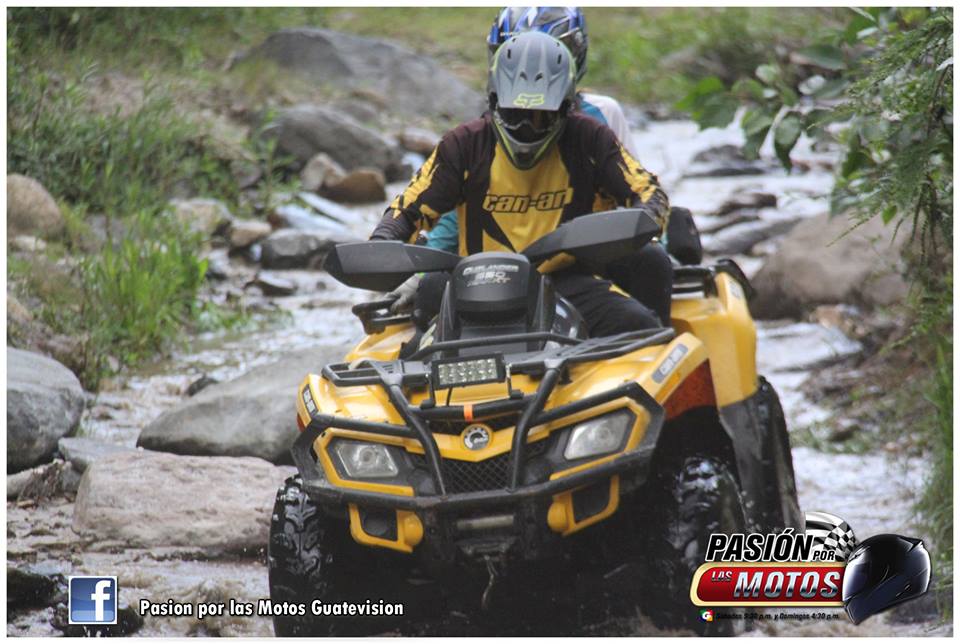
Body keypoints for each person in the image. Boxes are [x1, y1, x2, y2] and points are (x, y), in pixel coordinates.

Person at [370, 31, 672, 337]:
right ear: (494, 101)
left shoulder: (590, 138)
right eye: (515, 114)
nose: (526, 126)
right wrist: (382, 243)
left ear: (566, 107)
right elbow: (407, 209)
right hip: (476, 285)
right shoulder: (462, 145)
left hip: (565, 282)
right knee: (429, 296)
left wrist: (641, 220)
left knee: (641, 327)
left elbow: (649, 192)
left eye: (541, 116)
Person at [425, 6, 640, 256]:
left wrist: (654, 244)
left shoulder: (602, 116)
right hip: (499, 266)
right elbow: (460, 205)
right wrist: (426, 265)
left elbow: (636, 192)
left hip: (581, 260)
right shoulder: (484, 130)